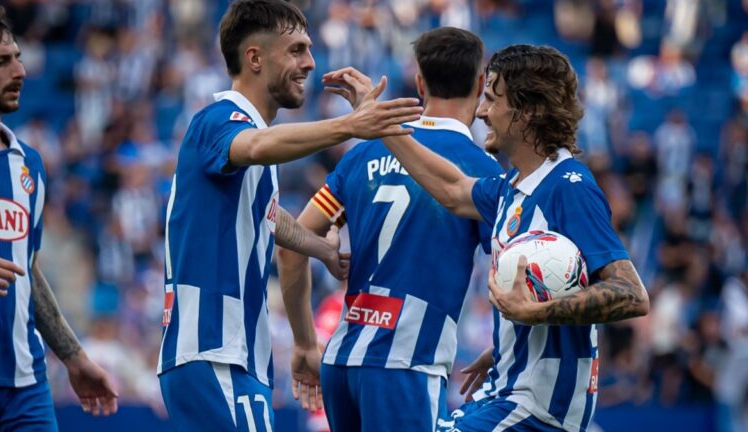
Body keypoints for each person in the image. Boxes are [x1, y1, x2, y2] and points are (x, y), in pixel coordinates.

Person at [329, 44, 650, 431]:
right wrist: (510, 346)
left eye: (493, 100)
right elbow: (449, 188)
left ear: (528, 111)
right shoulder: (508, 188)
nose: (481, 112)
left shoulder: (569, 187)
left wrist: (533, 314)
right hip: (506, 394)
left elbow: (631, 293)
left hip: (540, 410)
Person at [156, 1, 423, 431]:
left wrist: (320, 249)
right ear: (255, 58)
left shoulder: (253, 139)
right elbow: (257, 147)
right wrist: (350, 125)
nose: (310, 63)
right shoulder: (221, 119)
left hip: (231, 355)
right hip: (214, 349)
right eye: (297, 50)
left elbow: (268, 216)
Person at [278, 27, 504, 431]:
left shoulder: (363, 153)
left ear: (420, 83)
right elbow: (509, 274)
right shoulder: (483, 173)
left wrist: (304, 342)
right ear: (481, 84)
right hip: (406, 364)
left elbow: (292, 243)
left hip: (341, 361)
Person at [0, 6, 118, 431]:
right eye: (1, 62)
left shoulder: (30, 165)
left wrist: (74, 357)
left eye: (18, 58)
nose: (19, 70)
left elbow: (29, 270)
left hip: (26, 383)